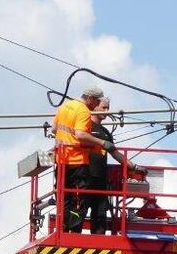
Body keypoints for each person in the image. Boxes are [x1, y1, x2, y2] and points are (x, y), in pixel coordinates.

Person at [53, 85, 114, 232]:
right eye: (96, 102)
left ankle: (64, 228)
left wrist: (67, 139)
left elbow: (54, 129)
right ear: (91, 98)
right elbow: (80, 134)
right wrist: (100, 142)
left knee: (65, 197)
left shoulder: (65, 107)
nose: (95, 105)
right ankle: (73, 231)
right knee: (79, 200)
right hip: (77, 161)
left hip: (61, 160)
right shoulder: (83, 111)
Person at [84, 98, 143, 234]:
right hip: (84, 176)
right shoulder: (84, 127)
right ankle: (73, 239)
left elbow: (115, 154)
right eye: (103, 108)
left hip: (100, 179)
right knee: (80, 210)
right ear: (94, 106)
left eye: (108, 108)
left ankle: (98, 242)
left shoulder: (105, 132)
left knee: (100, 214)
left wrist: (134, 166)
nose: (106, 111)